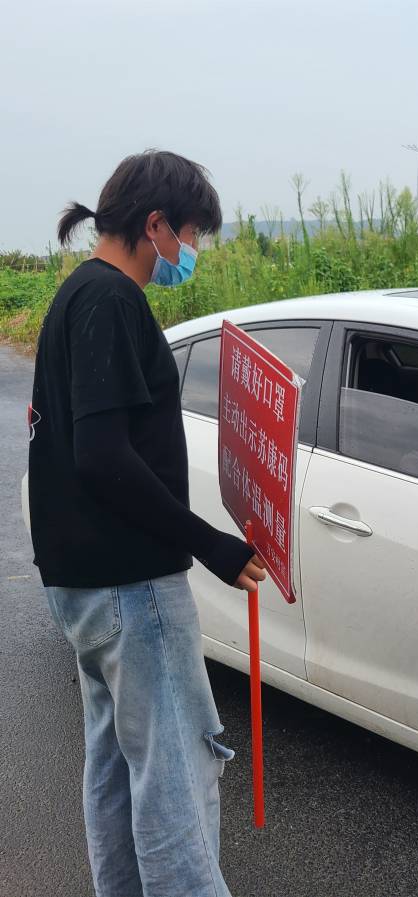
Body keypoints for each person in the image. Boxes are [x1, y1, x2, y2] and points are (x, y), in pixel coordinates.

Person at [28, 150, 265, 897]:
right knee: (175, 783)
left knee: (116, 769)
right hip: (131, 588)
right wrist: (212, 544)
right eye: (190, 234)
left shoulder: (77, 295)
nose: (190, 251)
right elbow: (102, 456)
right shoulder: (111, 301)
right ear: (155, 224)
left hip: (85, 586)